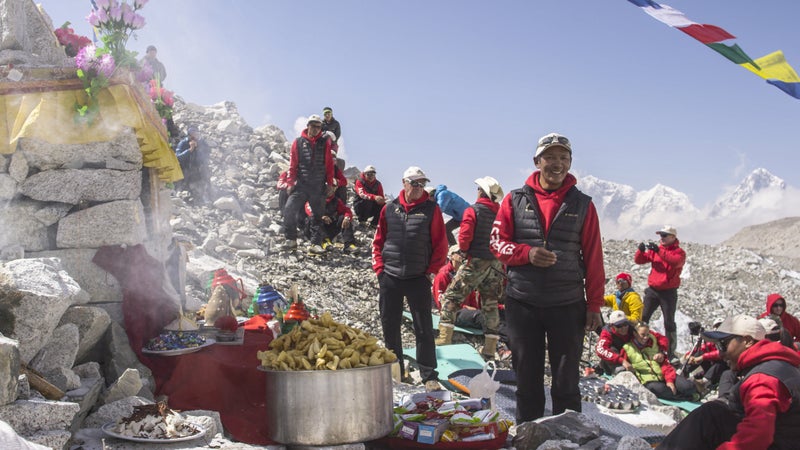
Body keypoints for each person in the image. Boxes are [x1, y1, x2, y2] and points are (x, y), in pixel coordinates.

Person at [489, 132, 605, 422]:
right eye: (550, 157)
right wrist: (526, 254)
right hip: (523, 302)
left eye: (563, 158)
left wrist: (594, 305)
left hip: (567, 303)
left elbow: (593, 257)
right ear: (537, 161)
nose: (557, 163)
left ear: (570, 163)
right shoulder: (514, 200)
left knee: (566, 381)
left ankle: (569, 434)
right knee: (527, 379)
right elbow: (496, 242)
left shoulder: (583, 204)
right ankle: (528, 432)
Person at [658, 314, 800, 449]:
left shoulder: (762, 378)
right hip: (784, 440)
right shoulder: (779, 365)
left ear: (747, 341)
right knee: (715, 411)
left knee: (709, 416)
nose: (720, 353)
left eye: (723, 345)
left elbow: (758, 435)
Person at [372, 166, 448, 391]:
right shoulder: (389, 209)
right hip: (391, 276)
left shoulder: (432, 210)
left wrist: (430, 273)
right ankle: (396, 369)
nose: (418, 188)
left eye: (422, 184)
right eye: (414, 183)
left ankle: (428, 375)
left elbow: (440, 244)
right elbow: (379, 240)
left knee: (423, 327)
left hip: (418, 277)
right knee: (390, 324)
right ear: (404, 182)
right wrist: (379, 270)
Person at [436, 176, 506, 360]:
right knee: (490, 303)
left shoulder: (473, 211)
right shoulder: (500, 214)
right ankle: (490, 349)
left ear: (480, 192)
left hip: (476, 260)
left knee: (452, 296)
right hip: (496, 263)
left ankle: (444, 339)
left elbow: (465, 236)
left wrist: (464, 252)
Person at [432, 245, 512, 360]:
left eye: (463, 253)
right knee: (483, 317)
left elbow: (482, 297)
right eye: (458, 253)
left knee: (500, 313)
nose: (462, 256)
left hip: (472, 310)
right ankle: (499, 347)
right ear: (451, 256)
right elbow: (443, 301)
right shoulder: (444, 275)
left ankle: (514, 341)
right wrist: (465, 307)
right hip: (457, 312)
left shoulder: (473, 273)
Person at [281, 115, 335, 251]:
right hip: (301, 185)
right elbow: (293, 164)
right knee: (289, 209)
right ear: (308, 126)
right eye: (313, 126)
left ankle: (316, 244)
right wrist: (290, 182)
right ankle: (291, 240)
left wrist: (330, 184)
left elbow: (329, 165)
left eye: (319, 127)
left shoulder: (325, 143)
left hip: (318, 186)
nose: (316, 129)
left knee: (317, 216)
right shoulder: (298, 142)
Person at [634, 225, 686, 361]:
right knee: (643, 318)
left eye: (664, 235)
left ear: (673, 237)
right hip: (653, 290)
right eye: (661, 235)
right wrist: (640, 251)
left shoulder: (679, 252)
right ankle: (639, 345)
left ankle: (670, 351)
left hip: (668, 292)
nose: (661, 238)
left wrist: (658, 251)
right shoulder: (657, 250)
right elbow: (639, 260)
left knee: (669, 321)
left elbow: (675, 262)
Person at [623, 321, 697, 401]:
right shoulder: (627, 348)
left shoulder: (654, 344)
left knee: (689, 387)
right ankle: (685, 396)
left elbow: (665, 365)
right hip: (649, 381)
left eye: (647, 334)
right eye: (642, 335)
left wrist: (669, 381)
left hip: (663, 376)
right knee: (659, 389)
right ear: (635, 334)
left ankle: (681, 393)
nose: (645, 338)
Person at [304, 186, 357, 254]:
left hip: (329, 226)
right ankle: (320, 243)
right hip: (313, 230)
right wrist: (321, 217)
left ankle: (349, 245)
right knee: (312, 218)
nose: (330, 189)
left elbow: (346, 210)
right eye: (328, 186)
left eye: (333, 187)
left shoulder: (336, 200)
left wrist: (347, 218)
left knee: (343, 218)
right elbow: (308, 209)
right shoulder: (315, 198)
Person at [174, 126, 212, 203]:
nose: (195, 136)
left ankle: (206, 194)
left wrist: (198, 149)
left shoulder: (202, 143)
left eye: (197, 134)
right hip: (185, 168)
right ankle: (179, 191)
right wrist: (189, 150)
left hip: (197, 170)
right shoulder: (183, 143)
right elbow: (178, 157)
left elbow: (207, 154)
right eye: (193, 134)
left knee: (205, 171)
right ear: (189, 135)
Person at [595, 310, 634, 375]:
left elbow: (650, 336)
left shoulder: (632, 328)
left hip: (630, 355)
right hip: (616, 358)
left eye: (625, 324)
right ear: (612, 326)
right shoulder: (607, 332)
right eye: (619, 326)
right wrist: (622, 361)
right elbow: (600, 349)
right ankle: (615, 369)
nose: (623, 328)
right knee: (611, 348)